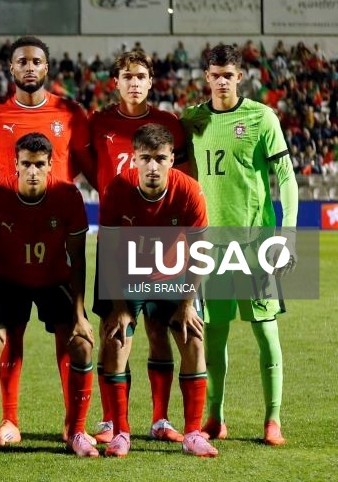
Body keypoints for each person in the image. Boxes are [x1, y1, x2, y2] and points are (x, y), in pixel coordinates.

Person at [0, 35, 92, 444]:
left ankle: (71, 424)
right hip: (10, 233)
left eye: (36, 61)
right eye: (21, 61)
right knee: (12, 333)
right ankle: (8, 420)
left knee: (68, 330)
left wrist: (58, 194)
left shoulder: (70, 112)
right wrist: (4, 192)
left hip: (52, 227)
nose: (29, 67)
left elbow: (89, 166)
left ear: (47, 67)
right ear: (10, 68)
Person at [181, 44, 298, 446]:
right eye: (215, 74)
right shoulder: (193, 119)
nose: (222, 81)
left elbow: (287, 178)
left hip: (255, 245)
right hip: (210, 248)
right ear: (206, 76)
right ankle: (215, 417)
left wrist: (288, 233)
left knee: (266, 333)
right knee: (214, 336)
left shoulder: (262, 117)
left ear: (240, 76)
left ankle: (273, 419)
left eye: (229, 74)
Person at [97, 123, 218, 458]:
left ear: (172, 159)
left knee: (192, 336)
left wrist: (187, 305)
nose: (153, 166)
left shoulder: (190, 191)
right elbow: (107, 252)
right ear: (133, 159)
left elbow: (200, 252)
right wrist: (120, 305)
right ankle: (121, 432)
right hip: (128, 270)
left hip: (175, 271)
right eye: (146, 158)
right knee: (117, 338)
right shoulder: (116, 190)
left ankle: (193, 433)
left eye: (160, 158)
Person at [87, 50, 188, 444]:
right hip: (119, 236)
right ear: (117, 81)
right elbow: (83, 162)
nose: (134, 82)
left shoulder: (169, 123)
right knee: (115, 328)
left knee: (159, 329)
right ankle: (113, 421)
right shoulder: (99, 123)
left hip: (162, 240)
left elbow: (185, 170)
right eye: (127, 75)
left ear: (151, 81)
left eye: (141, 76)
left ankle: (160, 420)